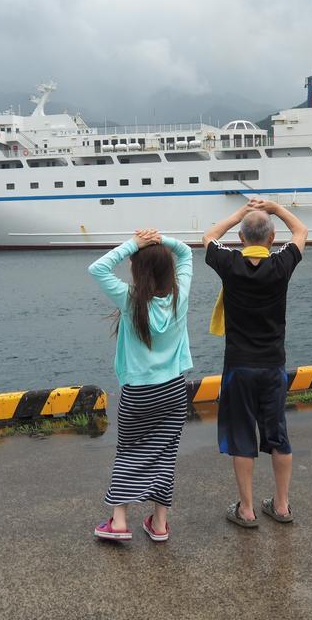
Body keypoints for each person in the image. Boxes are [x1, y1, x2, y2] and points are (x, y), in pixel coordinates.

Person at [202, 198, 308, 528]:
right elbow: (301, 230)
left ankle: (246, 510)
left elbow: (207, 237)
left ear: (241, 239)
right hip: (273, 365)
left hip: (239, 367)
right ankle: (282, 505)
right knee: (278, 435)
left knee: (242, 437)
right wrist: (275, 209)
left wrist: (239, 214)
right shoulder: (281, 267)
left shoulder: (230, 264)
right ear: (272, 239)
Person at [87, 228, 193, 543]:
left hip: (139, 393)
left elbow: (98, 268)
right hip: (174, 390)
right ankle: (159, 524)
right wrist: (162, 240)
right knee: (165, 452)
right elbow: (186, 252)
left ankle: (119, 521)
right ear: (168, 270)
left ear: (137, 271)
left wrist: (136, 243)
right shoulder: (179, 297)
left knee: (129, 452)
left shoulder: (130, 300)